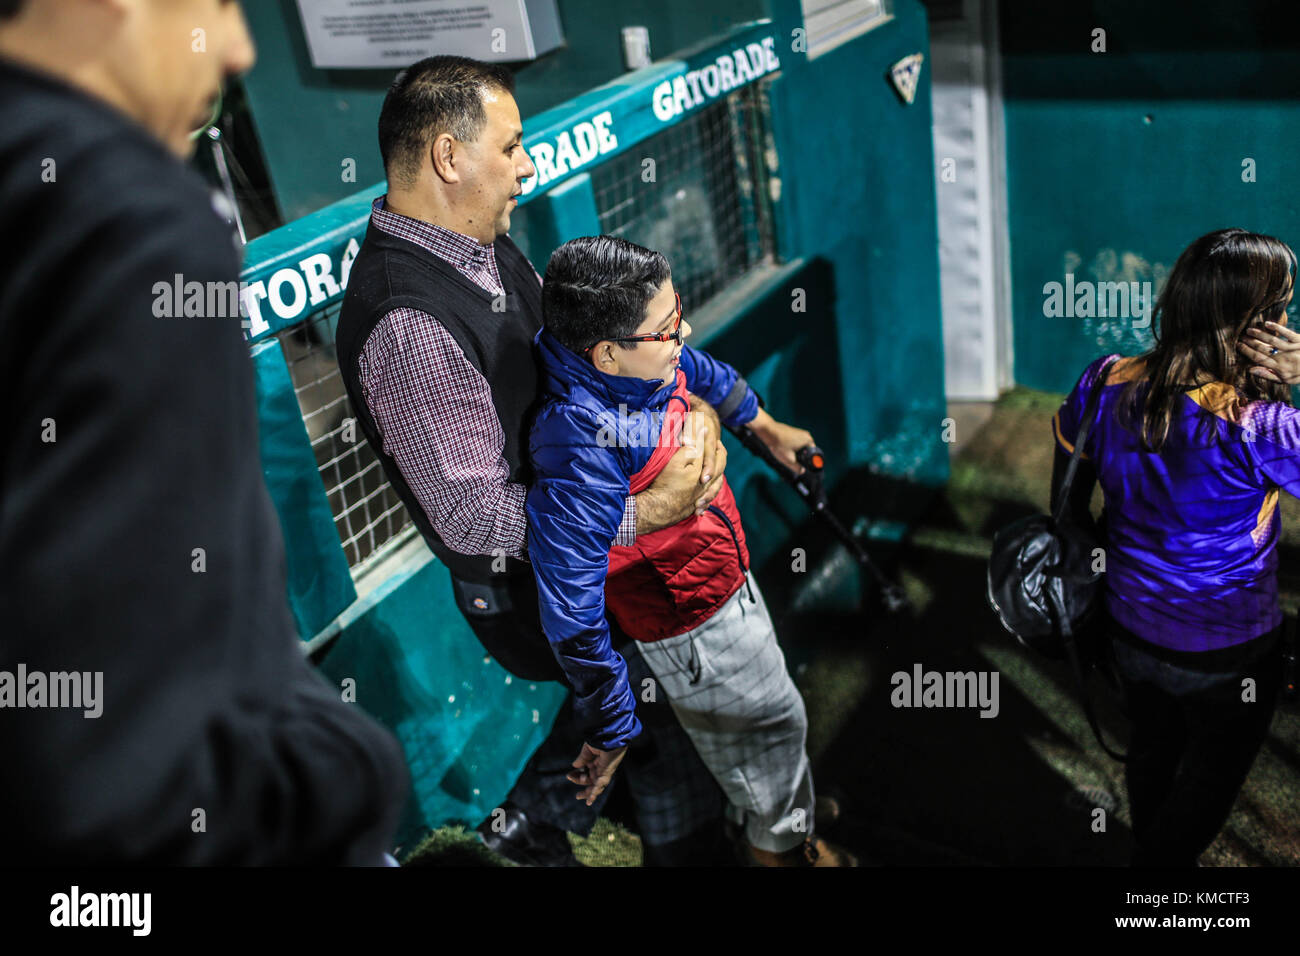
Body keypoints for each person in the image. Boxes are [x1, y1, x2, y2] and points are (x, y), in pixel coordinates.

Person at [336, 55, 820, 867]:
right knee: (652, 717)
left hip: (607, 560)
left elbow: (588, 368)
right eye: (513, 145)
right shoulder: (408, 322)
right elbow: (477, 520)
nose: (529, 164)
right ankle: (567, 827)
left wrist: (726, 415)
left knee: (656, 723)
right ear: (450, 159)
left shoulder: (481, 243)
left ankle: (562, 819)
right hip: (546, 583)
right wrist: (651, 508)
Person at [0, 0, 408, 863]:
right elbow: (118, 764)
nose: (235, 48)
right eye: (218, 2)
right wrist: (348, 771)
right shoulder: (122, 221)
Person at [525, 235, 853, 866]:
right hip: (699, 630)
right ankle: (788, 845)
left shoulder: (629, 362)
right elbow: (571, 604)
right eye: (667, 327)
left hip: (718, 597)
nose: (685, 331)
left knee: (768, 747)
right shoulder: (578, 439)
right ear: (608, 354)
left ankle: (779, 813)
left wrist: (759, 421)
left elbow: (694, 367)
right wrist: (613, 722)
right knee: (774, 732)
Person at [1051, 227, 1294, 867]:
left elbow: (1066, 498)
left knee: (1153, 752)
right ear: (1257, 326)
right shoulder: (1260, 425)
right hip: (1230, 654)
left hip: (1128, 630)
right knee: (1207, 785)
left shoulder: (1106, 378)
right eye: (1284, 307)